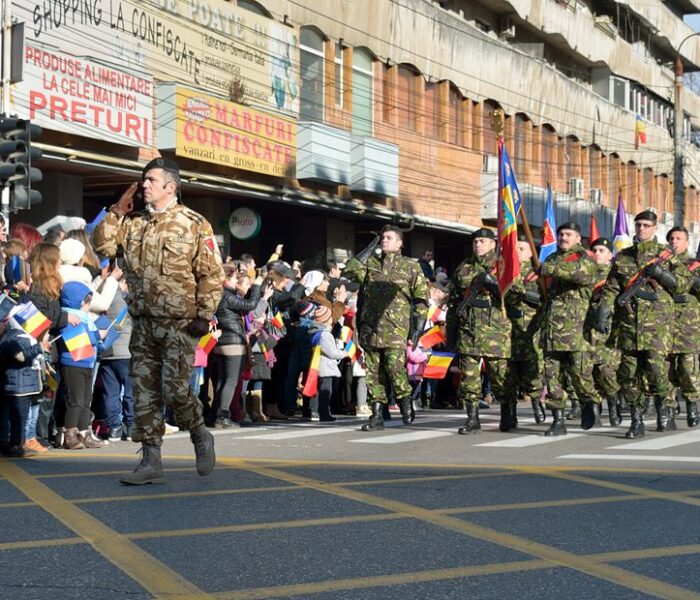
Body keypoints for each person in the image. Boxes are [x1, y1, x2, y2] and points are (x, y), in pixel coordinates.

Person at [92, 157, 225, 485]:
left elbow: (212, 274)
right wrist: (116, 211)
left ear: (171, 186)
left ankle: (198, 433)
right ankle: (151, 460)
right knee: (144, 392)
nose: (144, 184)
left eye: (151, 179)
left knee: (176, 390)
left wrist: (204, 315)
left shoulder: (194, 223)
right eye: (143, 179)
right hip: (143, 322)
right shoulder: (132, 222)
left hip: (180, 323)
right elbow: (102, 244)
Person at [597, 211, 691, 438]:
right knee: (628, 375)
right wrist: (604, 310)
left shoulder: (666, 256)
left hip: (657, 327)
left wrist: (662, 274)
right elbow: (611, 287)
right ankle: (636, 420)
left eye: (646, 225)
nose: (641, 229)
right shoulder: (623, 257)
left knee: (657, 372)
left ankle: (663, 409)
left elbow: (683, 286)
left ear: (654, 228)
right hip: (629, 325)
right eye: (638, 225)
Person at [343, 225, 429, 431]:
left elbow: (421, 300)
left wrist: (417, 329)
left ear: (400, 243)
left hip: (396, 329)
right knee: (373, 374)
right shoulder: (370, 264)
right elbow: (350, 269)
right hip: (371, 328)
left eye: (389, 238)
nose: (384, 240)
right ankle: (377, 415)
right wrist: (370, 247)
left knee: (394, 368)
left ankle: (405, 398)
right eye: (382, 238)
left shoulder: (410, 266)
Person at [447, 228, 512, 434]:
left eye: (483, 241)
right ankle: (472, 418)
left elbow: (515, 294)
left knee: (500, 377)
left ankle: (508, 414)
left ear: (493, 244)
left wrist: (493, 285)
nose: (478, 245)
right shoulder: (464, 267)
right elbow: (454, 301)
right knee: (468, 379)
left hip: (496, 331)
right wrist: (451, 334)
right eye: (475, 241)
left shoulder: (502, 264)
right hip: (469, 331)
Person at [538, 222, 600, 435]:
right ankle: (558, 419)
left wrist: (549, 269)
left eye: (568, 234)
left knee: (580, 373)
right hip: (552, 328)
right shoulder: (552, 258)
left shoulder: (586, 259)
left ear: (578, 238)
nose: (564, 237)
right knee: (551, 375)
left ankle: (588, 402)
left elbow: (579, 275)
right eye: (561, 234)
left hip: (576, 328)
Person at [211, 264, 263, 428]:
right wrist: (257, 284)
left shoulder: (218, 295)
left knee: (222, 380)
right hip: (232, 342)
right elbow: (250, 305)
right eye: (234, 278)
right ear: (226, 279)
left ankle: (216, 414)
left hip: (221, 342)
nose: (236, 281)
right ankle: (223, 415)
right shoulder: (226, 295)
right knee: (231, 381)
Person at [57, 282, 108, 450]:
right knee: (76, 401)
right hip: (73, 363)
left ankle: (84, 433)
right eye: (87, 302)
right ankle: (70, 435)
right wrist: (97, 335)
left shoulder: (84, 318)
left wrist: (103, 339)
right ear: (79, 302)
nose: (89, 305)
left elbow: (91, 341)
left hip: (87, 362)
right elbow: (78, 341)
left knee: (86, 400)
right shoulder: (69, 318)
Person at [504, 241, 546, 425]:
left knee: (532, 373)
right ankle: (509, 413)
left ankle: (537, 404)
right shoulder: (504, 272)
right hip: (506, 330)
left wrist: (521, 292)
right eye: (514, 248)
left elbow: (544, 300)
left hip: (529, 330)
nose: (516, 252)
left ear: (531, 253)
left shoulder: (537, 273)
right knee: (506, 374)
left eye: (521, 249)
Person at [585, 237, 623, 426]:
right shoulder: (585, 274)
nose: (597, 254)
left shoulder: (615, 276)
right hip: (585, 331)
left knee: (606, 371)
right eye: (595, 250)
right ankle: (595, 412)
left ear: (610, 255)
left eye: (602, 250)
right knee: (587, 372)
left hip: (606, 332)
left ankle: (614, 404)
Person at [665, 226, 700, 428]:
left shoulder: (694, 266)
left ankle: (692, 406)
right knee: (666, 372)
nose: (673, 241)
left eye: (678, 238)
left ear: (687, 242)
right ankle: (668, 411)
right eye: (671, 238)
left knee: (688, 370)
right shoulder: (661, 266)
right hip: (662, 328)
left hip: (688, 328)